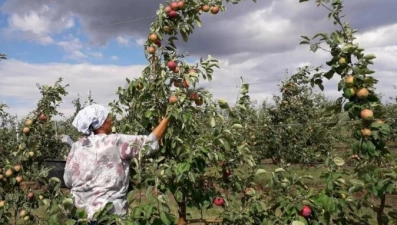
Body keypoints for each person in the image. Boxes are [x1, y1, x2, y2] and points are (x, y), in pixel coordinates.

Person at [63, 104, 170, 223]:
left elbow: (67, 181)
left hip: (78, 214)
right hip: (109, 216)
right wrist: (168, 116)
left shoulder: (77, 146)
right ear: (102, 122)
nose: (111, 119)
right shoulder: (116, 141)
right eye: (108, 117)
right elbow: (150, 142)